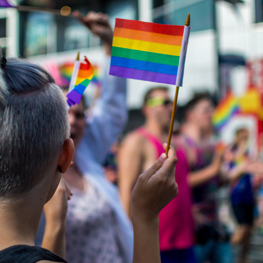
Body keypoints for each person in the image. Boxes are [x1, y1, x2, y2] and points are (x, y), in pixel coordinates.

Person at [0, 51, 179, 263]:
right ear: (67, 154)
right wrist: (146, 217)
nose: (73, 120)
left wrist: (110, 50)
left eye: (80, 114)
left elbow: (112, 108)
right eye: (66, 112)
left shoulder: (87, 160)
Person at [118, 87, 197, 263]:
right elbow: (125, 191)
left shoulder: (179, 142)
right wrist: (131, 237)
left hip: (186, 241)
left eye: (172, 102)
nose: (171, 107)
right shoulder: (136, 141)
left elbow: (184, 184)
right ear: (147, 108)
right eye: (165, 103)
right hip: (155, 244)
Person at [181, 93, 233, 263]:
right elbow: (180, 182)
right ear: (191, 115)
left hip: (216, 225)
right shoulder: (182, 144)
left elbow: (219, 180)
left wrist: (230, 172)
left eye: (212, 110)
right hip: (193, 229)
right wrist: (213, 170)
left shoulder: (212, 144)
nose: (211, 114)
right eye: (206, 110)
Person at [222, 128, 255, 263]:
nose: (245, 140)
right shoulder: (231, 153)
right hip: (237, 195)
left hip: (248, 195)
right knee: (242, 228)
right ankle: (226, 249)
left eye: (246, 138)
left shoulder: (248, 154)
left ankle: (242, 260)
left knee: (249, 232)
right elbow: (229, 174)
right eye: (243, 137)